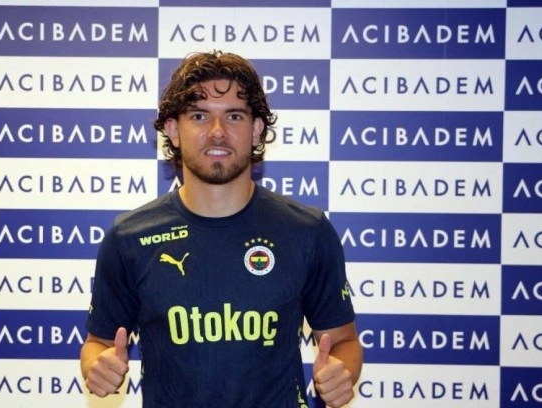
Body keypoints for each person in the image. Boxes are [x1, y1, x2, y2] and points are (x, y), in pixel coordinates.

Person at [80, 50, 362, 407]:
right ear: (173, 130)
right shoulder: (129, 237)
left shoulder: (307, 230)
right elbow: (99, 343)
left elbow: (343, 341)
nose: (217, 132)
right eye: (199, 116)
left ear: (257, 130)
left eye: (234, 116)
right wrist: (97, 365)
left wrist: (342, 371)